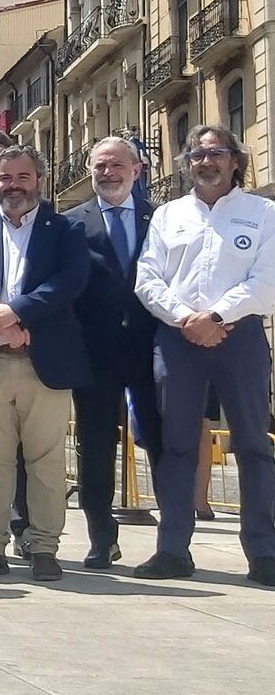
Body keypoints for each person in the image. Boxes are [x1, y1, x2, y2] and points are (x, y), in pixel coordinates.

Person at [134, 125, 275, 586]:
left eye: (215, 153)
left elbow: (266, 281)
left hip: (241, 338)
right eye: (196, 154)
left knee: (253, 446)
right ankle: (173, 550)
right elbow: (148, 279)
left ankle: (264, 554)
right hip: (178, 341)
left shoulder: (263, 212)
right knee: (175, 447)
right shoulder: (168, 216)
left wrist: (215, 315)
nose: (205, 162)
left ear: (235, 160)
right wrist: (186, 319)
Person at [0, 145, 90, 582]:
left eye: (22, 177)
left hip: (44, 360)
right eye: (5, 178)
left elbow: (70, 282)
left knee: (45, 461)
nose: (13, 186)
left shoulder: (65, 229)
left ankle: (45, 547)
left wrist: (18, 312)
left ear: (39, 180)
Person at [66, 137, 161, 569]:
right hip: (94, 353)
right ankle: (101, 538)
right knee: (96, 446)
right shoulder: (69, 224)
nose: (108, 174)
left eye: (117, 166)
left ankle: (173, 540)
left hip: (153, 349)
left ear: (136, 171)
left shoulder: (161, 219)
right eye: (100, 166)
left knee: (163, 443)